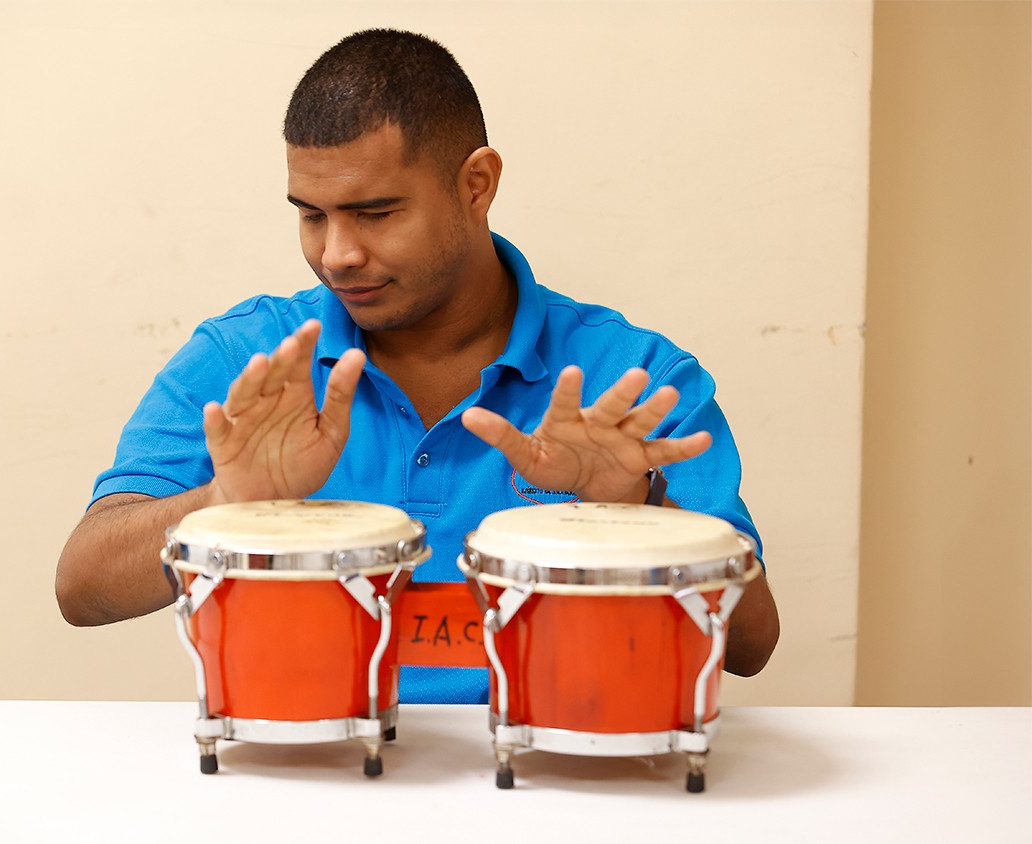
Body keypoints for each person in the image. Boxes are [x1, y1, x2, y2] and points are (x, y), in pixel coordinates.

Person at [55, 29, 779, 704]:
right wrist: (220, 503)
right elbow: (82, 589)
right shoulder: (247, 358)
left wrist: (637, 507)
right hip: (307, 768)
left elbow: (751, 644)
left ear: (477, 184)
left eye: (375, 214)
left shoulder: (633, 377)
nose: (337, 253)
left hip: (554, 771)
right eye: (312, 215)